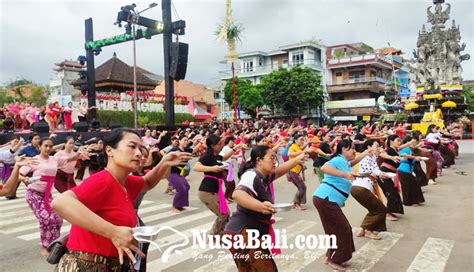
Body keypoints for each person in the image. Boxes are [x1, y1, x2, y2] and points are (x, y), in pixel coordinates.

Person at [51, 128, 191, 271]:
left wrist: (165, 162)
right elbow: (60, 202)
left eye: (141, 148)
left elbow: (147, 182)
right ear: (110, 151)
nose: (139, 153)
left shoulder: (126, 182)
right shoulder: (103, 181)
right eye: (132, 146)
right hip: (86, 266)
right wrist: (114, 232)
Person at [224, 145, 307, 271]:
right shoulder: (251, 175)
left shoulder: (264, 176)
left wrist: (296, 160)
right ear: (259, 160)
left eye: (276, 158)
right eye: (272, 158)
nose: (275, 161)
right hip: (243, 233)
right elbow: (237, 194)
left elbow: (279, 171)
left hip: (251, 233)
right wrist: (260, 206)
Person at [7, 137, 84, 256]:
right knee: (46, 219)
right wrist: (26, 179)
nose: (48, 148)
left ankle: (54, 244)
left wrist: (81, 152)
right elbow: (19, 175)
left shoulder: (55, 159)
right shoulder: (34, 160)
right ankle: (44, 246)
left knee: (57, 219)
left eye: (50, 146)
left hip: (47, 195)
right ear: (40, 147)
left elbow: (72, 158)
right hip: (33, 194)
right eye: (45, 146)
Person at [313, 139, 367, 271]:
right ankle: (334, 259)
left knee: (334, 230)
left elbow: (351, 164)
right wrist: (346, 175)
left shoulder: (344, 162)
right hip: (326, 199)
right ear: (343, 149)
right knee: (343, 229)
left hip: (327, 200)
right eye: (351, 148)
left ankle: (329, 256)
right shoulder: (337, 159)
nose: (354, 150)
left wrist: (365, 153)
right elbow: (325, 168)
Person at [193, 134, 244, 236]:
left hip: (215, 190)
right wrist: (212, 168)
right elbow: (196, 167)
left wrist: (236, 148)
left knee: (225, 214)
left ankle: (218, 235)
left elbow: (224, 157)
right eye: (219, 144)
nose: (222, 145)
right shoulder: (207, 156)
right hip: (207, 191)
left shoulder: (215, 155)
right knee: (223, 214)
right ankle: (214, 236)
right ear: (212, 145)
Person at [351, 139, 390, 240]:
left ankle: (363, 228)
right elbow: (370, 169)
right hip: (360, 188)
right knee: (381, 210)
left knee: (374, 208)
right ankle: (368, 231)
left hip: (361, 188)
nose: (379, 148)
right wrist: (380, 174)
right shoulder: (365, 158)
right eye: (377, 146)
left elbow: (375, 169)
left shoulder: (372, 157)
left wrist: (380, 173)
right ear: (368, 148)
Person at [167, 134, 203, 213]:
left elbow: (193, 150)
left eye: (187, 140)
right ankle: (175, 206)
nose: (186, 142)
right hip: (171, 172)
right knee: (181, 189)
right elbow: (166, 158)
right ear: (179, 141)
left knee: (186, 186)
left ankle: (180, 205)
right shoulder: (174, 150)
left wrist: (200, 143)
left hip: (179, 173)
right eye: (184, 140)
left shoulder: (186, 150)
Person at [376, 135, 404, 221]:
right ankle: (387, 213)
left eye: (400, 141)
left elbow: (402, 146)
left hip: (389, 175)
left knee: (393, 193)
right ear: (391, 141)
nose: (400, 142)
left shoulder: (395, 150)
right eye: (398, 141)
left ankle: (390, 211)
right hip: (383, 174)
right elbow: (382, 154)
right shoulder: (389, 150)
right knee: (391, 193)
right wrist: (391, 157)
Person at [398, 136, 425, 206]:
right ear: (408, 143)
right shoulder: (406, 149)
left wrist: (417, 159)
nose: (413, 144)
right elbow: (403, 155)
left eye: (414, 143)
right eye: (412, 143)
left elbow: (411, 159)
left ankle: (415, 200)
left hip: (407, 170)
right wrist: (415, 158)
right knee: (407, 187)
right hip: (403, 170)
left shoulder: (410, 150)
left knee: (413, 185)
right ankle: (408, 202)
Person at [287, 134, 308, 210]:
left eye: (303, 140)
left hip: (296, 171)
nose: (302, 141)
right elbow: (289, 154)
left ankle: (295, 202)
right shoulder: (293, 146)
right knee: (302, 187)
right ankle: (296, 204)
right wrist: (302, 153)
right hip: (292, 170)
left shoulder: (298, 147)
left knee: (302, 187)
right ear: (295, 140)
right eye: (301, 140)